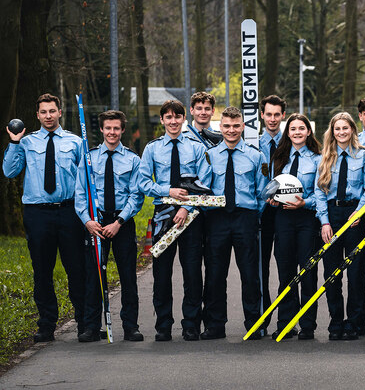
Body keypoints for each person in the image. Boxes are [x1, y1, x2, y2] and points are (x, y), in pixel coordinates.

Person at [3, 93, 86, 342]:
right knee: (42, 270)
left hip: (69, 211)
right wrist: (15, 142)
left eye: (52, 111)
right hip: (38, 214)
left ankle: (85, 322)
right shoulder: (26, 143)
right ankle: (47, 324)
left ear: (60, 112)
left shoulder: (75, 142)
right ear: (37, 115)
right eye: (43, 112)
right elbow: (9, 171)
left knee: (77, 269)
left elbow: (86, 181)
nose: (48, 116)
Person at [139, 99, 211, 341]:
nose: (173, 121)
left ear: (183, 119)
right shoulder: (152, 149)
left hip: (190, 217)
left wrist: (187, 207)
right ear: (162, 120)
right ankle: (163, 325)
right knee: (161, 273)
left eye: (177, 117)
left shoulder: (196, 148)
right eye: (168, 117)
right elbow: (142, 182)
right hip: (162, 215)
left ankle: (191, 324)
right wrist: (167, 191)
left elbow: (205, 183)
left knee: (192, 272)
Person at [74, 110, 144, 342]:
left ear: (122, 130)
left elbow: (137, 196)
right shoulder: (89, 158)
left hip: (122, 223)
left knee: (128, 277)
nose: (112, 132)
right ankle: (91, 327)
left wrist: (119, 222)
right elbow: (80, 193)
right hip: (96, 222)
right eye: (108, 128)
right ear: (102, 130)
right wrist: (87, 221)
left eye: (116, 128)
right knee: (93, 275)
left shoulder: (133, 160)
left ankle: (130, 326)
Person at [202, 107, 266, 340]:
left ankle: (253, 322)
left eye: (236, 125)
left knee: (250, 274)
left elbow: (261, 191)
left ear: (243, 127)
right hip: (217, 218)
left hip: (245, 218)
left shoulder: (255, 156)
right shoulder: (208, 155)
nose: (231, 130)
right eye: (227, 126)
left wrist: (252, 215)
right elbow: (203, 188)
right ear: (220, 127)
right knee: (215, 274)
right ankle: (215, 325)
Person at [315, 112, 365, 341]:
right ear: (332, 131)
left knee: (356, 273)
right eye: (337, 129)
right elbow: (319, 192)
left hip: (355, 216)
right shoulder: (325, 156)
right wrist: (324, 222)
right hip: (332, 215)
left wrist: (360, 211)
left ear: (352, 130)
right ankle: (336, 320)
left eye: (345, 128)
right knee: (332, 274)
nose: (341, 132)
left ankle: (354, 322)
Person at [269, 113, 323, 341]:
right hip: (283, 220)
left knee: (308, 273)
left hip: (307, 220)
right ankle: (286, 323)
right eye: (293, 129)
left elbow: (320, 193)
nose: (297, 132)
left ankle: (308, 325)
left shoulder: (319, 159)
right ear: (287, 132)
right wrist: (271, 198)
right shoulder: (279, 157)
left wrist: (305, 203)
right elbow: (271, 188)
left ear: (308, 132)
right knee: (286, 273)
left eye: (302, 128)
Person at [256, 95, 287, 336]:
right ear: (262, 115)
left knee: (286, 266)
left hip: (286, 212)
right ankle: (262, 318)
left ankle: (287, 319)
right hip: (261, 212)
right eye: (269, 114)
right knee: (260, 267)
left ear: (283, 116)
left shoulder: (292, 143)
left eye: (277, 114)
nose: (273, 119)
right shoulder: (254, 145)